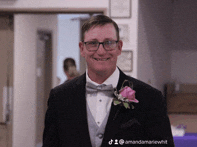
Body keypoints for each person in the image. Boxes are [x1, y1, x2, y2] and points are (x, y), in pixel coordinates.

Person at [42, 14, 174, 147]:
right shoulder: (59, 98)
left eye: (108, 43)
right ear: (82, 49)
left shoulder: (150, 98)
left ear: (119, 47)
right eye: (93, 43)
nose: (100, 51)